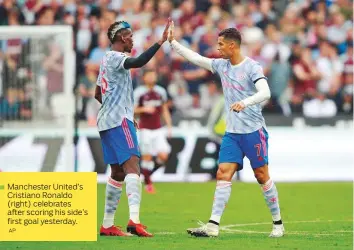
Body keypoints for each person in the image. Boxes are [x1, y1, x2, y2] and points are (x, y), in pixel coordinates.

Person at [168, 21, 284, 237]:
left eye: (221, 44)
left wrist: (245, 103)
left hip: (253, 131)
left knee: (261, 176)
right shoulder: (222, 65)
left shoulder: (252, 67)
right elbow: (197, 59)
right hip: (232, 134)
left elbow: (265, 93)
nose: (218, 48)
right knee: (223, 173)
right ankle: (213, 225)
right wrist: (173, 42)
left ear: (233, 46)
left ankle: (278, 223)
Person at [94, 19, 171, 237]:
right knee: (133, 166)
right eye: (130, 37)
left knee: (117, 172)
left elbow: (98, 94)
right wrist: (159, 42)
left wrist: (119, 108)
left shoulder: (105, 61)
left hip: (106, 122)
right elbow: (138, 62)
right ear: (121, 38)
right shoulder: (117, 58)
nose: (132, 41)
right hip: (119, 121)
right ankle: (134, 220)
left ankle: (107, 224)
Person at [134, 69, 172, 194]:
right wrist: (143, 109)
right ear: (144, 77)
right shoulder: (139, 92)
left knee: (164, 155)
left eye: (153, 75)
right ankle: (149, 184)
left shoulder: (160, 91)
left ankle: (146, 175)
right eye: (149, 75)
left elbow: (164, 109)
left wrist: (169, 125)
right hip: (144, 129)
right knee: (147, 157)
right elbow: (131, 110)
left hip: (158, 129)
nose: (152, 77)